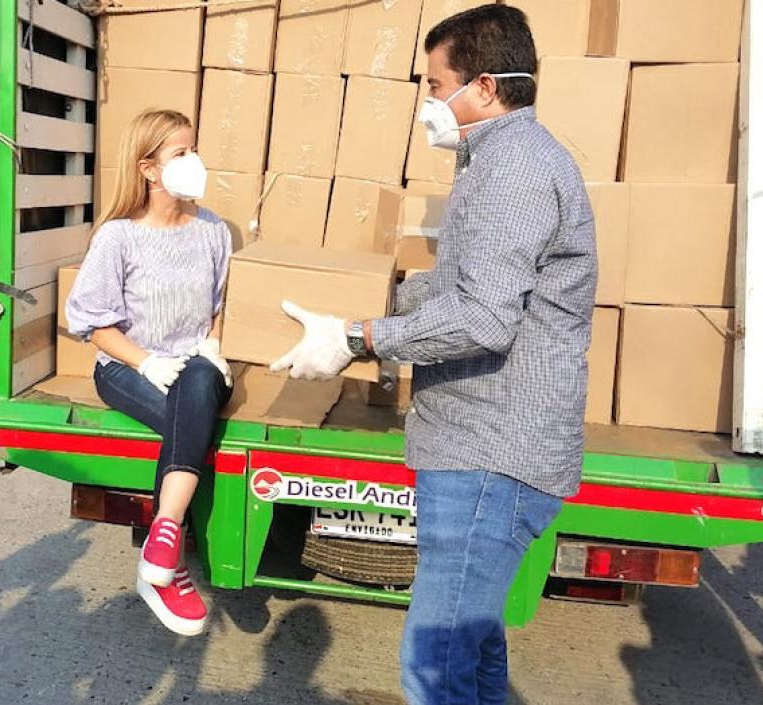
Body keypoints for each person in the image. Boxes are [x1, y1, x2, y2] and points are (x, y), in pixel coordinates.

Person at [269, 6, 596, 704]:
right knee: (473, 654)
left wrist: (360, 339)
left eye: (433, 83)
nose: (427, 103)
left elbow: (482, 317)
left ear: (483, 86)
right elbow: (465, 286)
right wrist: (378, 300)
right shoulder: (499, 162)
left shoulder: (515, 170)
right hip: (480, 444)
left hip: (491, 454)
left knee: (435, 665)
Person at [64, 109, 233, 637]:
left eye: (194, 149)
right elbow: (90, 324)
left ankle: (164, 538)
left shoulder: (213, 230)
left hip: (195, 365)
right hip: (128, 367)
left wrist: (213, 345)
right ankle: (167, 561)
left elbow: (221, 302)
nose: (194, 161)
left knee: (200, 384)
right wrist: (146, 361)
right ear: (148, 169)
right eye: (180, 153)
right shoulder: (118, 238)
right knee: (197, 420)